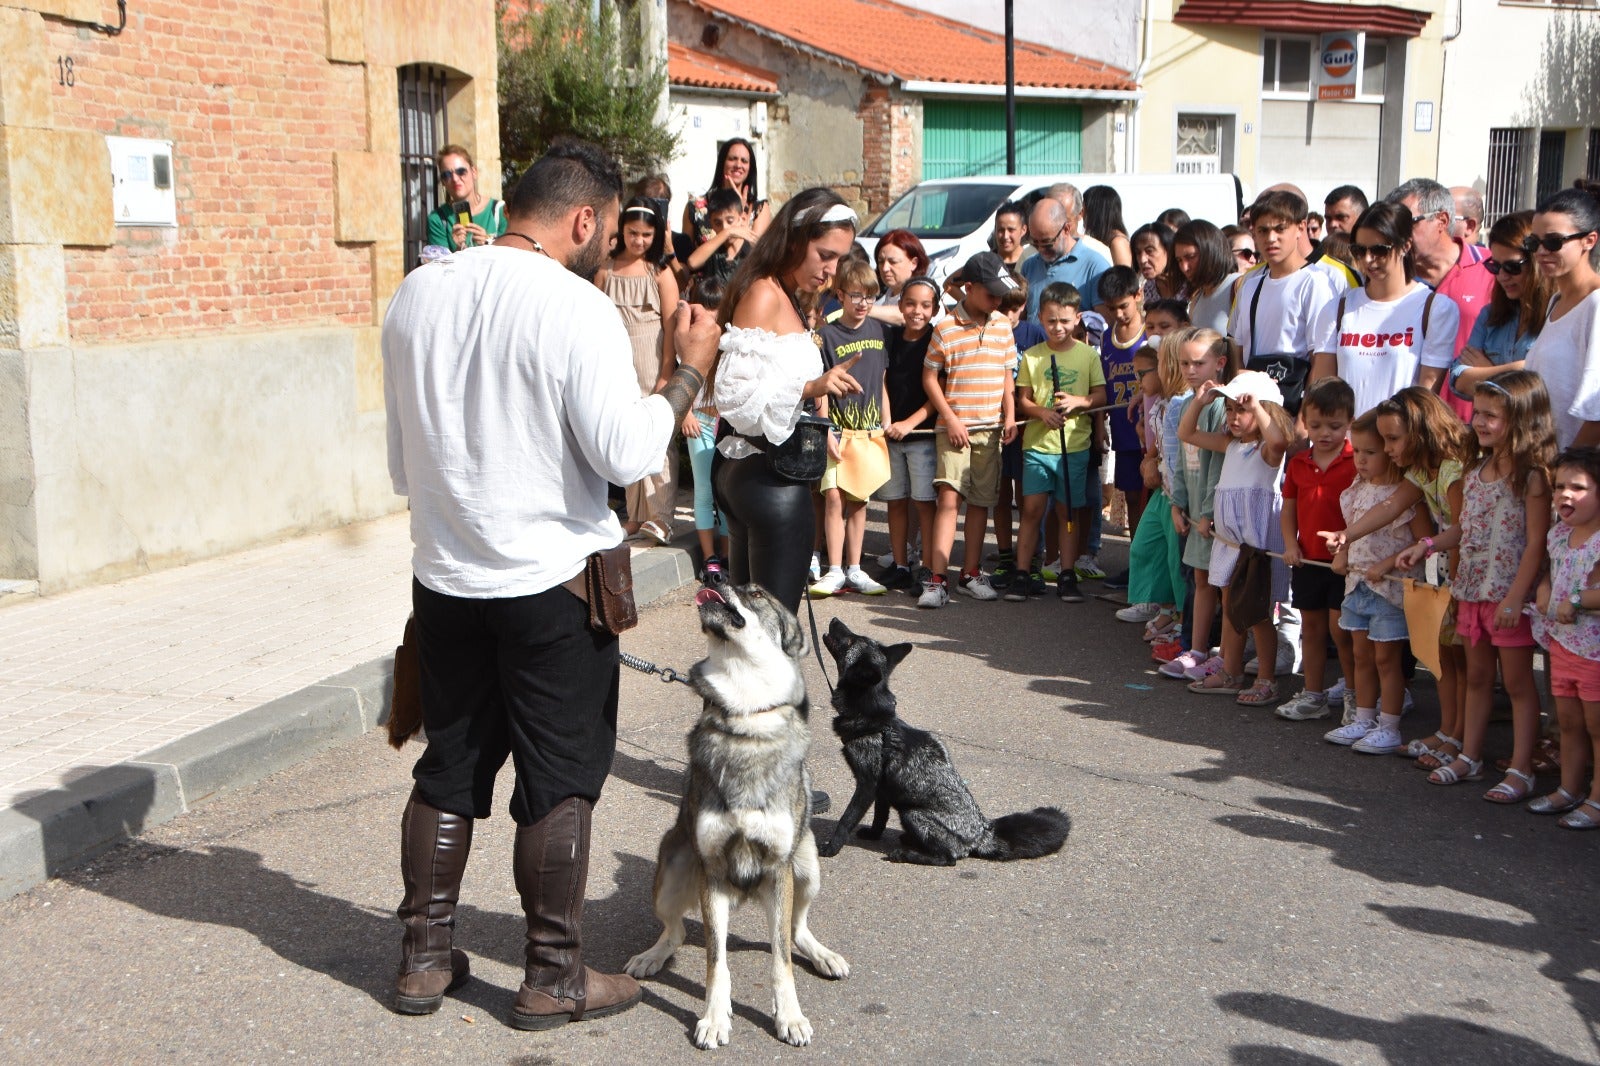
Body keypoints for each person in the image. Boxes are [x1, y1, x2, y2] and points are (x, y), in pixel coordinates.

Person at [383, 138, 720, 1028]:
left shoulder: (418, 291)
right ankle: (553, 975)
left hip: (446, 580)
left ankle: (423, 957)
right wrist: (688, 373)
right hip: (551, 585)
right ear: (584, 219)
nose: (608, 248)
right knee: (560, 775)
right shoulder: (577, 309)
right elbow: (625, 450)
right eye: (608, 233)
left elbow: (399, 467)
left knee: (450, 764)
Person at [709, 187, 868, 614]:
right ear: (795, 239)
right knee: (773, 644)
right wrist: (811, 388)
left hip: (762, 477)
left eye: (839, 259)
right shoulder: (764, 293)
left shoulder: (780, 292)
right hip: (767, 482)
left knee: (754, 642)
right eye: (825, 255)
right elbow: (732, 396)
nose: (831, 270)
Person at [1397, 371, 1554, 802]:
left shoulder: (1533, 477)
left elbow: (1537, 543)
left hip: (1508, 596)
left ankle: (1522, 769)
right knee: (1478, 677)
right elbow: (1462, 529)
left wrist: (1516, 597)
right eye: (1477, 414)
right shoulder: (1476, 469)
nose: (1480, 423)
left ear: (1521, 420)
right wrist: (1426, 545)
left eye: (1492, 416)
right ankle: (1470, 755)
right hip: (1471, 591)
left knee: (1520, 686)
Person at [1326, 387, 1474, 756]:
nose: (1389, 447)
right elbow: (1391, 506)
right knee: (1442, 660)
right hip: (1442, 568)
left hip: (1463, 570)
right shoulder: (1421, 472)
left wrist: (1444, 576)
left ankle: (1460, 739)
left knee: (1463, 663)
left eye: (1393, 438)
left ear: (1421, 431)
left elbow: (1461, 530)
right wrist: (1347, 536)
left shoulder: (1454, 470)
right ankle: (1447, 731)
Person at [1180, 370, 1294, 705]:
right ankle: (1231, 671)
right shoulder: (1230, 444)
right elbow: (1187, 432)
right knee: (1231, 608)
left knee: (1257, 613)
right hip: (1229, 542)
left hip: (1254, 545)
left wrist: (1258, 406)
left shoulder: (1266, 451)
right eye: (1230, 409)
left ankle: (1266, 679)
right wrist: (1201, 402)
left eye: (1240, 409)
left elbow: (1279, 441)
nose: (1233, 417)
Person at [1320, 410, 1430, 753]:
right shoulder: (1357, 490)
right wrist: (1342, 554)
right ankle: (1364, 719)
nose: (1362, 460)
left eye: (1371, 452)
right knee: (1360, 656)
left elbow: (1425, 544)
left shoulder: (1408, 495)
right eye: (1358, 452)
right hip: (1357, 586)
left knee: (1387, 660)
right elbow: (1352, 531)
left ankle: (1390, 725)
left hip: (1390, 590)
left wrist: (1386, 563)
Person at [919, 251, 1021, 607]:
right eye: (991, 293)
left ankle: (970, 572)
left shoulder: (1002, 326)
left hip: (990, 429)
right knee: (949, 499)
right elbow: (930, 376)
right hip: (953, 428)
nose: (997, 301)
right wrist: (950, 418)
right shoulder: (945, 328)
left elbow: (1008, 376)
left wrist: (1009, 415)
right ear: (969, 287)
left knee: (981, 501)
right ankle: (936, 578)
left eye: (1000, 294)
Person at [1307, 201, 1458, 417]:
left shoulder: (1436, 309)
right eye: (1359, 250)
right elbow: (1323, 391)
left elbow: (1426, 395)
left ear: (1405, 246)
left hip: (1402, 443)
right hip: (1348, 446)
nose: (1368, 260)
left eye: (1379, 250)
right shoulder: (1337, 310)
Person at [1005, 281, 1105, 602]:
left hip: (1074, 447)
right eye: (1050, 320)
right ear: (1039, 317)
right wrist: (1041, 413)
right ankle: (1022, 572)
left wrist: (1080, 402)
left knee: (1068, 513)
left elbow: (1101, 395)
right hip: (1037, 447)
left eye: (1064, 320)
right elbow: (1023, 400)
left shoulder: (1088, 355)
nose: (1057, 327)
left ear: (1077, 318)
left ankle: (1067, 573)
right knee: (1032, 509)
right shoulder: (1033, 356)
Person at [596, 197, 682, 544]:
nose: (639, 241)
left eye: (647, 234)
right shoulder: (606, 270)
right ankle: (635, 516)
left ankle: (661, 515)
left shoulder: (660, 272)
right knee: (628, 435)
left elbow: (672, 325)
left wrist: (665, 372)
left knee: (659, 439)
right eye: (633, 233)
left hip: (652, 357)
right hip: (618, 359)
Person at [1275, 377, 1358, 723]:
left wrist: (1349, 547)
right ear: (1304, 422)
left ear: (1350, 422)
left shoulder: (1358, 461)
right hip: (1307, 559)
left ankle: (1356, 696)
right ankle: (1313, 694)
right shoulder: (1298, 463)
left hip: (1345, 563)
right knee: (1311, 628)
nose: (1325, 433)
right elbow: (1289, 508)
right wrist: (1291, 544)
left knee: (1342, 632)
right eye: (1316, 425)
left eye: (1335, 426)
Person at [1529, 446, 1600, 827]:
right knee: (1569, 724)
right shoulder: (1560, 535)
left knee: (1597, 728)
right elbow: (1552, 574)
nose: (1564, 494)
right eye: (1559, 486)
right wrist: (1544, 589)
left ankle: (1597, 800)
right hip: (1562, 643)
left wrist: (1576, 598)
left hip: (1595, 651)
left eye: (1578, 487)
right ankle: (1569, 789)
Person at [810, 259, 890, 597]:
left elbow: (881, 380)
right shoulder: (826, 335)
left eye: (870, 297)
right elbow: (822, 386)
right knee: (832, 496)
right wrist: (825, 428)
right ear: (840, 295)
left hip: (868, 432)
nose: (863, 304)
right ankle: (833, 570)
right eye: (856, 296)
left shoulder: (877, 331)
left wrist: (886, 419)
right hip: (838, 430)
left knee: (859, 500)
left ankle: (855, 569)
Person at [1386, 177, 1493, 419]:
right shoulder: (1387, 280)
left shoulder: (1492, 271)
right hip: (1405, 426)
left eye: (1407, 224)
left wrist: (1492, 372)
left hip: (1473, 426)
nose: (1398, 235)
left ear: (1442, 221)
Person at [1159, 328, 1231, 681]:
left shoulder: (1222, 406)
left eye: (1198, 363)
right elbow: (1184, 465)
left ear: (1219, 363)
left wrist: (1207, 512)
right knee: (1200, 579)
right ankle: (1197, 649)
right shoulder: (1189, 403)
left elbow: (1220, 467)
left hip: (1216, 514)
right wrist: (1177, 503)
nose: (1190, 370)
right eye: (1185, 363)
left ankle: (1225, 654)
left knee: (1226, 587)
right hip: (1194, 509)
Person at [1228, 189, 1340, 414]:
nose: (1271, 239)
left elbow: (1322, 359)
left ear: (1300, 228)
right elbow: (1237, 350)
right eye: (1263, 230)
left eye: (1280, 229)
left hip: (1293, 406)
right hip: (1253, 410)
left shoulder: (1315, 283)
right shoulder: (1250, 285)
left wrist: (1304, 420)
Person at [1522, 186, 1600, 449]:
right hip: (1541, 464)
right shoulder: (1556, 301)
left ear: (1589, 241)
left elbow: (1596, 410)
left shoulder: (1596, 304)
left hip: (1574, 473)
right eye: (1534, 243)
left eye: (1554, 241)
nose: (1542, 251)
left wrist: (1565, 471)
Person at [1118, 337, 1185, 640]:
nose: (1138, 380)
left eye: (1143, 373)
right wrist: (1148, 459)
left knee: (1175, 557)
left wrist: (1154, 462)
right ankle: (1166, 608)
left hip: (1178, 494)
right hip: (1161, 491)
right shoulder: (1157, 406)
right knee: (1145, 546)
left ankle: (1182, 618)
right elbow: (1156, 448)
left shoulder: (1182, 404)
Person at [877, 276, 940, 591]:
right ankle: (901, 565)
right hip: (892, 434)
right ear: (900, 305)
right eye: (911, 303)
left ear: (935, 309)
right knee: (895, 501)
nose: (917, 311)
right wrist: (889, 421)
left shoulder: (936, 339)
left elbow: (936, 396)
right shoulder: (890, 337)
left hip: (923, 436)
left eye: (925, 305)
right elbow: (883, 381)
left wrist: (908, 424)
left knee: (925, 502)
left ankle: (928, 568)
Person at [1449, 211, 1551, 399]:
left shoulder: (1557, 316)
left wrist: (1488, 371)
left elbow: (1547, 388)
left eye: (1513, 267)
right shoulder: (1490, 315)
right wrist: (1519, 369)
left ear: (1538, 263)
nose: (1502, 276)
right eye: (1495, 266)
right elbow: (1459, 380)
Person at [683, 271, 731, 581]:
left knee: (726, 490)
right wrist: (685, 412)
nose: (711, 313)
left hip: (725, 421)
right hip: (699, 420)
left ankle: (727, 555)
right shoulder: (687, 339)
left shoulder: (731, 340)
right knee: (704, 490)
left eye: (717, 307)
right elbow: (681, 378)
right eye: (705, 306)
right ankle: (709, 557)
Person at [1098, 266, 1150, 548]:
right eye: (1111, 308)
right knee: (1131, 497)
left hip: (1151, 432)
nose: (1118, 314)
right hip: (1122, 431)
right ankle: (1137, 561)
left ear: (1138, 294)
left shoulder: (1150, 333)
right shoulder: (1107, 337)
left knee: (1152, 497)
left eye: (1123, 306)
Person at [1022, 196, 1111, 321]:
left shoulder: (1095, 266)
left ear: (1066, 229)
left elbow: (1104, 324)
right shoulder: (1029, 266)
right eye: (1035, 243)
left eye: (1047, 243)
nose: (1041, 249)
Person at [683, 137, 769, 246]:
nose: (738, 165)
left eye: (744, 161)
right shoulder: (696, 207)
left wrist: (739, 209)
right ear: (722, 163)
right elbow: (685, 257)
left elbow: (756, 253)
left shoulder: (759, 209)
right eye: (732, 159)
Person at [425, 144, 508, 253]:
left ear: (474, 172)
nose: (455, 179)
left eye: (461, 171)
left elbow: (512, 256)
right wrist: (458, 250)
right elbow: (440, 267)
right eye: (447, 175)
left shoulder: (501, 210)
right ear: (443, 182)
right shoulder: (438, 220)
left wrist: (489, 242)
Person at [1174, 220, 1241, 334]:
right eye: (1179, 260)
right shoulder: (1196, 299)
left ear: (1210, 251)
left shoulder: (1238, 285)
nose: (1184, 267)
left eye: (1190, 257)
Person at [685, 187, 754, 287]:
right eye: (718, 223)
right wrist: (728, 232)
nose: (724, 227)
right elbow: (692, 263)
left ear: (741, 218)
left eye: (730, 221)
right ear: (711, 223)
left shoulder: (751, 251)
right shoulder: (713, 251)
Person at [868, 228, 931, 329]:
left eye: (893, 262)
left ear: (914, 263)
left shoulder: (926, 292)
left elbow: (905, 316)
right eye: (881, 261)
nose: (885, 268)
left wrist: (862, 309)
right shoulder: (888, 294)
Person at [1133, 222, 1188, 304]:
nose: (1142, 260)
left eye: (1149, 251)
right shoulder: (1149, 288)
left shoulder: (1190, 284)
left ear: (1169, 250)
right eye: (1138, 253)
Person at [1083, 185, 1133, 267]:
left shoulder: (1118, 242)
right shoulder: (1102, 239)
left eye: (1084, 209)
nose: (1081, 214)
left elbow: (1124, 277)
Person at [990, 199, 1029, 273]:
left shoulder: (1032, 263)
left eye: (1011, 230)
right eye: (1001, 230)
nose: (1005, 236)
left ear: (1023, 230)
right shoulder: (986, 264)